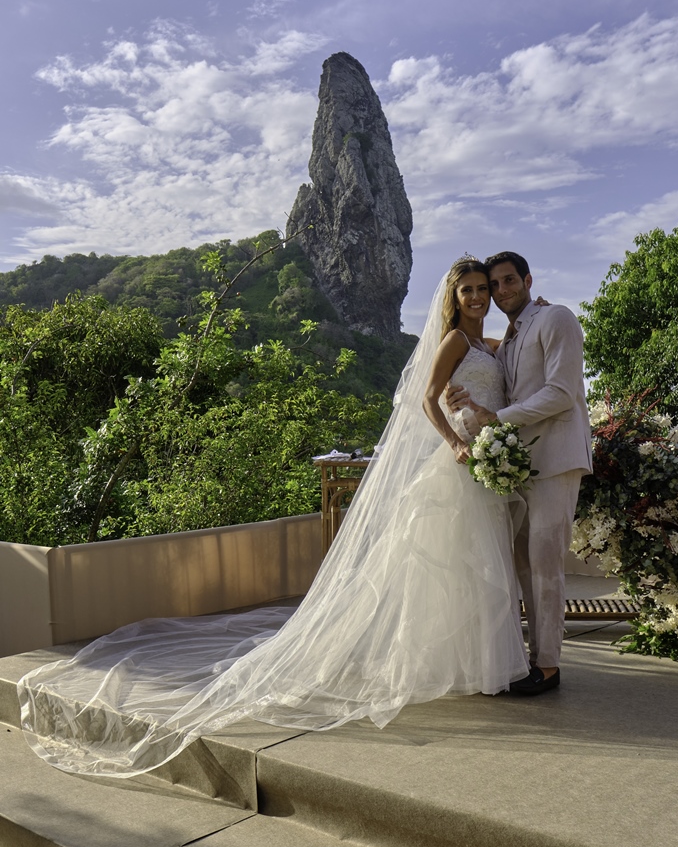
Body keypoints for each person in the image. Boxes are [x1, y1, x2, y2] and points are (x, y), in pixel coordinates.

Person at [19, 259, 530, 778]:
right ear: (454, 296)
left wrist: (486, 425)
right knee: (457, 564)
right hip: (459, 462)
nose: (476, 296)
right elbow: (426, 397)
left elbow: (494, 392)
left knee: (479, 565)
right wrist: (455, 442)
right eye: (466, 289)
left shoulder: (490, 346)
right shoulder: (453, 344)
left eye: (482, 288)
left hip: (485, 463)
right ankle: (468, 665)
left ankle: (480, 664)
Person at [447, 251, 592, 696]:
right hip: (520, 466)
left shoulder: (556, 319)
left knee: (546, 565)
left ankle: (548, 666)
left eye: (510, 281)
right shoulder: (507, 340)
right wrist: (460, 402)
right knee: (524, 563)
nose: (502, 291)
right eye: (495, 285)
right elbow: (481, 376)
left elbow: (562, 393)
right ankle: (530, 656)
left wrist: (496, 418)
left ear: (527, 280)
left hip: (557, 459)